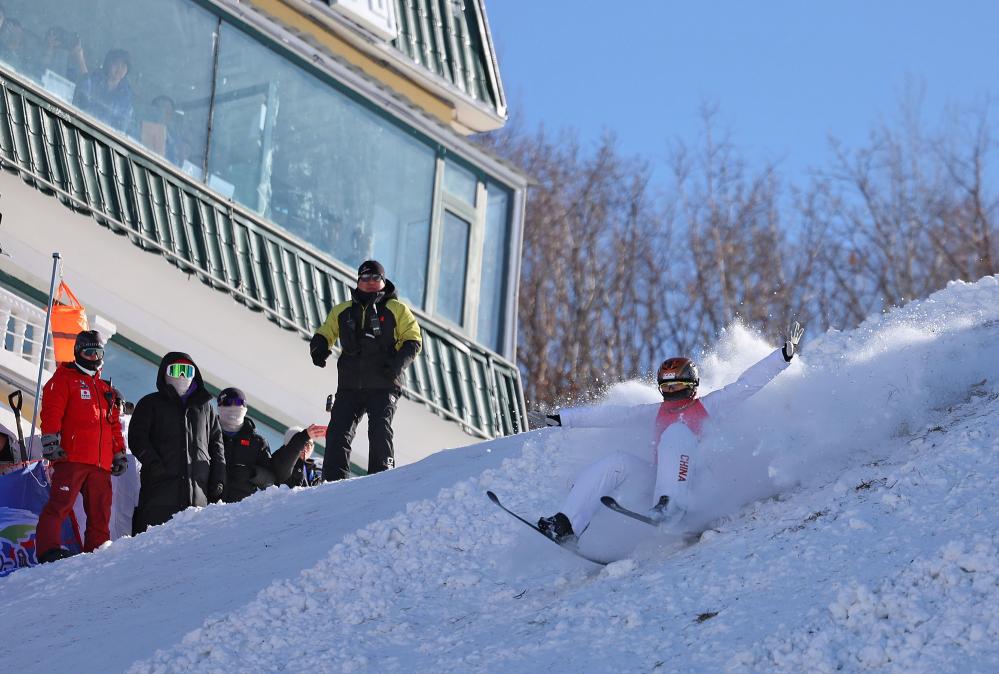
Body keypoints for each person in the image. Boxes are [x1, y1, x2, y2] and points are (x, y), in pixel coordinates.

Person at [536, 323, 805, 544]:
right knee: (615, 462)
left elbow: (746, 385)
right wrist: (561, 418)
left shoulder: (708, 406)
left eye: (678, 385)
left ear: (692, 386)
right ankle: (567, 524)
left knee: (676, 433)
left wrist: (782, 357)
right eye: (667, 387)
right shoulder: (654, 412)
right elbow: (611, 415)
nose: (672, 392)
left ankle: (672, 506)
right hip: (658, 488)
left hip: (696, 486)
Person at [309, 260, 422, 481]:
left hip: (384, 383)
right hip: (350, 385)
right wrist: (319, 347)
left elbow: (413, 340)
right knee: (338, 432)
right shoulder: (342, 311)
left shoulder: (397, 309)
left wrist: (396, 366)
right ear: (358, 281)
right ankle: (333, 480)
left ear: (383, 281)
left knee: (379, 429)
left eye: (375, 278)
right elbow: (325, 332)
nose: (370, 283)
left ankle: (381, 477)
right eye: (365, 278)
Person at [35, 330, 126, 563]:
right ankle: (48, 549)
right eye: (89, 351)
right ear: (78, 353)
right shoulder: (63, 379)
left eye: (98, 352)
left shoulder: (106, 390)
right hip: (72, 457)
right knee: (60, 504)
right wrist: (51, 442)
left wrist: (119, 453)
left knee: (100, 511)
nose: (94, 357)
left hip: (100, 463)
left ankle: (97, 552)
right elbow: (52, 413)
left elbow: (113, 426)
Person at [128, 352, 225, 534]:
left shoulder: (205, 409)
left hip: (197, 497)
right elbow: (137, 438)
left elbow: (216, 445)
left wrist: (218, 477)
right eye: (176, 370)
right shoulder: (150, 404)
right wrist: (153, 463)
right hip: (159, 493)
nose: (182, 376)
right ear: (164, 373)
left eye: (187, 371)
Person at [216, 387, 274, 503]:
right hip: (205, 507)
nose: (233, 407)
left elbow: (271, 481)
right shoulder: (206, 435)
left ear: (245, 408)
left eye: (238, 403)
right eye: (227, 403)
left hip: (241, 509)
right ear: (219, 407)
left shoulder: (257, 442)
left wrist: (252, 473)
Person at [73, 48, 133, 132]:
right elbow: (82, 100)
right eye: (116, 64)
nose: (119, 69)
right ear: (108, 64)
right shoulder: (94, 79)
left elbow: (122, 126)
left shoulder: (126, 96)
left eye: (123, 66)